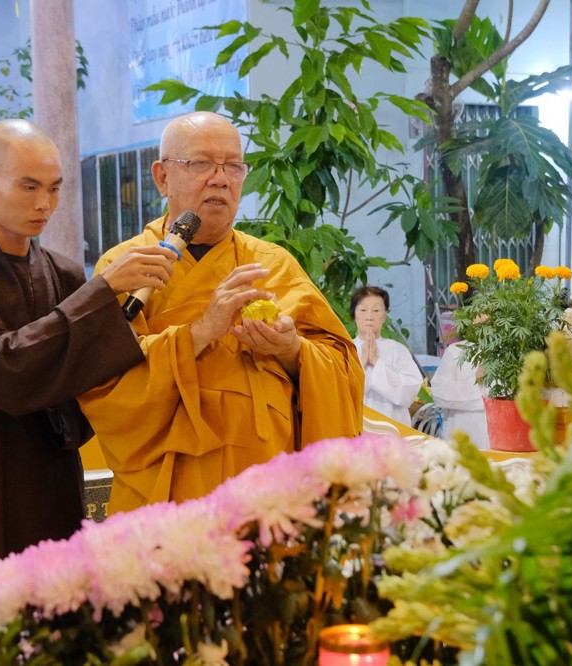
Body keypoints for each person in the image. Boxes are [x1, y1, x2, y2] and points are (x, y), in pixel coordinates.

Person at [0, 119, 176, 613]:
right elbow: (2, 373)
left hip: (52, 473)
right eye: (29, 187)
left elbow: (92, 375)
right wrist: (101, 291)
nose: (44, 204)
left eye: (54, 188)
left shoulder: (64, 272)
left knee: (60, 614)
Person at [79, 111, 364, 514]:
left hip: (269, 500)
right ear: (162, 177)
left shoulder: (272, 264)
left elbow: (343, 373)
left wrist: (291, 350)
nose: (221, 179)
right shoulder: (126, 267)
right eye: (201, 164)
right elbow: (105, 389)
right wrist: (200, 333)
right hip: (170, 503)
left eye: (233, 166)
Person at [349, 286, 423, 427]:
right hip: (355, 428)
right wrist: (362, 362)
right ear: (354, 314)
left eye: (376, 310)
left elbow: (409, 391)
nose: (369, 316)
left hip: (393, 429)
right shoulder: (345, 349)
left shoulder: (398, 350)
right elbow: (337, 391)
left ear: (385, 315)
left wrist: (376, 362)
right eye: (363, 310)